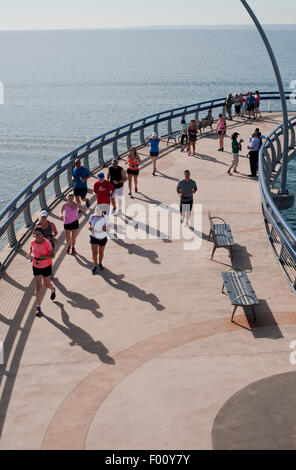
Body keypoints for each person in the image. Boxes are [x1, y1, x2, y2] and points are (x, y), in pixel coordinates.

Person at [27, 227, 56, 317]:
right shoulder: (32, 242)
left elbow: (53, 255)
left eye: (39, 234)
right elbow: (31, 249)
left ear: (43, 234)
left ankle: (52, 289)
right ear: (34, 234)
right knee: (38, 287)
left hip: (46, 266)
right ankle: (38, 307)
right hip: (36, 266)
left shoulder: (46, 242)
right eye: (36, 234)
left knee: (46, 284)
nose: (37, 236)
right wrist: (29, 254)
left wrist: (45, 257)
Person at [89, 206, 110, 274]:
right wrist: (90, 227)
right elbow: (90, 223)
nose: (97, 215)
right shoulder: (92, 216)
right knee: (94, 253)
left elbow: (109, 226)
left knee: (101, 252)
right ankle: (95, 266)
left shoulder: (105, 217)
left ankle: (100, 263)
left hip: (102, 237)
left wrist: (105, 228)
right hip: (94, 236)